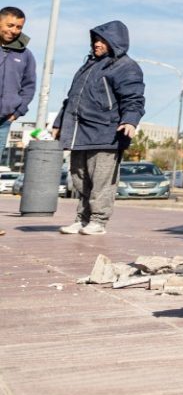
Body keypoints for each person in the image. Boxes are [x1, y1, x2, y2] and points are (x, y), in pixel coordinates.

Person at [53, 21, 144, 235]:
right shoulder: (88, 66)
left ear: (115, 42)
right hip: (79, 132)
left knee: (101, 181)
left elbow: (134, 97)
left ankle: (98, 221)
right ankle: (82, 219)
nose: (97, 43)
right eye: (95, 39)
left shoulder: (125, 66)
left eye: (102, 40)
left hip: (106, 133)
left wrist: (130, 120)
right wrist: (59, 123)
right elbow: (71, 99)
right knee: (79, 178)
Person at [0, 7, 37, 132]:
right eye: (10, 25)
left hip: (4, 121)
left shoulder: (26, 55)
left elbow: (29, 87)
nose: (14, 30)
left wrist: (17, 113)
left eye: (19, 27)